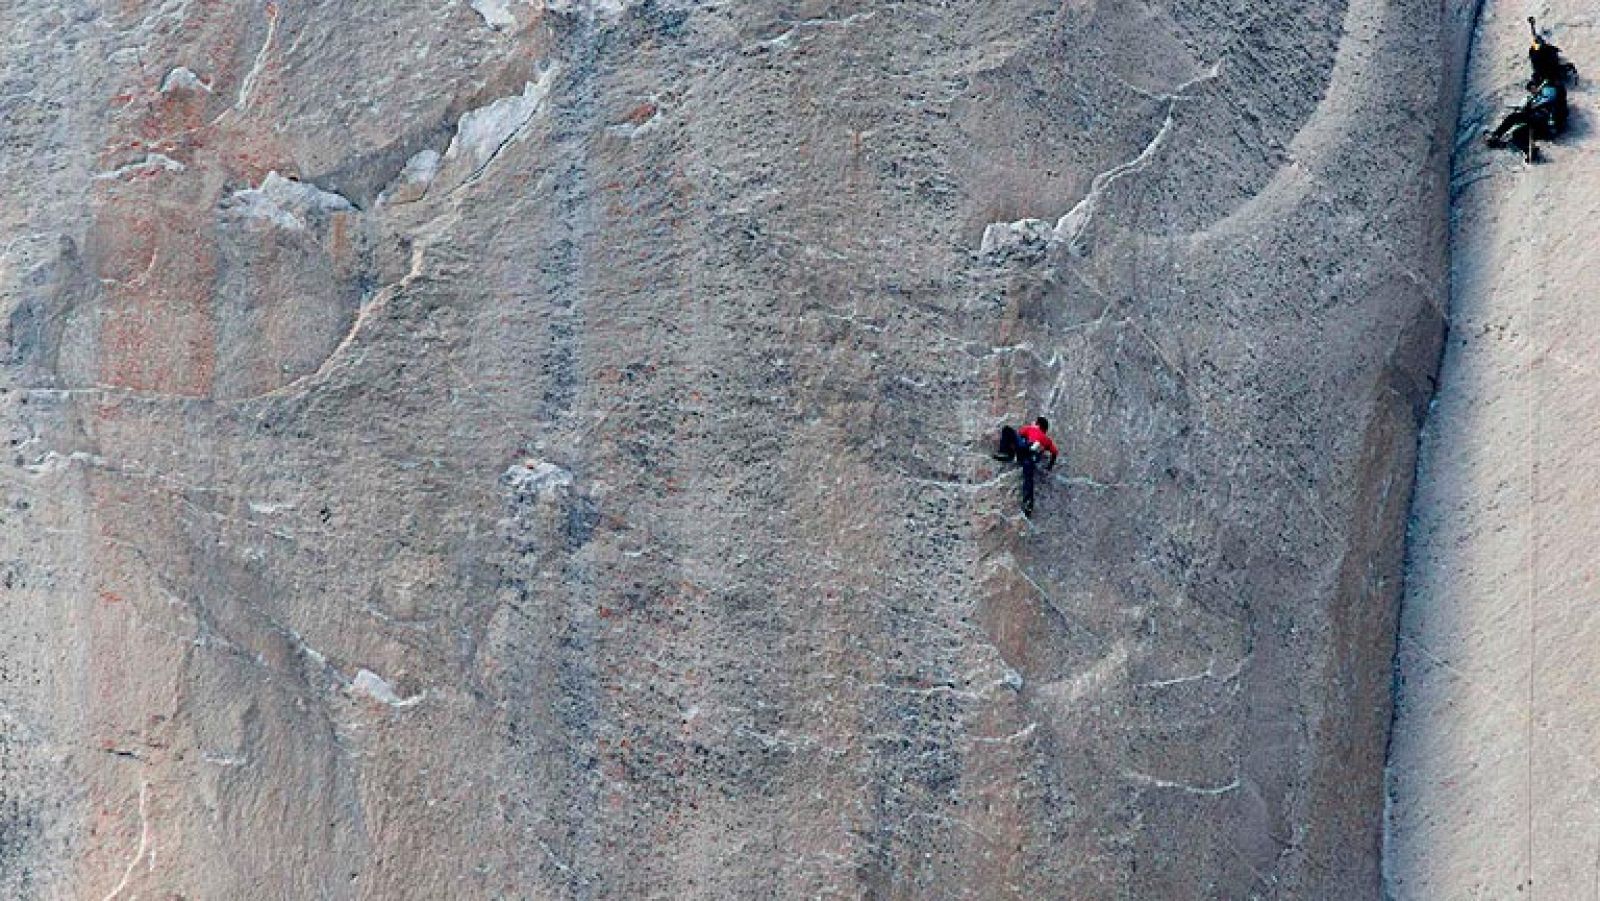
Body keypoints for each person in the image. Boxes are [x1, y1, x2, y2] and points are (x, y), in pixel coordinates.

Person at [993, 417, 1059, 517]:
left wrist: (1014, 448)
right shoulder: (1047, 440)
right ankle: (1028, 504)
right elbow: (1055, 453)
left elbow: (1019, 435)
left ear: (1037, 425)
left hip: (1023, 447)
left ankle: (1006, 453)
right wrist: (1049, 466)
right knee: (1028, 479)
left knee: (1007, 429)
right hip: (1031, 457)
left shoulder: (1031, 429)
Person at [1484, 78, 1567, 152]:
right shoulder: (1537, 96)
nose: (1532, 91)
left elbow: (1547, 101)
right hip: (1542, 126)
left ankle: (1495, 135)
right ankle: (1529, 150)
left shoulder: (1548, 89)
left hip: (1546, 123)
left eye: (1532, 88)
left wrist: (1530, 108)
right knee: (1517, 134)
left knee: (1514, 117)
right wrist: (1527, 107)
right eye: (1530, 90)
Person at [1528, 18, 1578, 88]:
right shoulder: (1544, 50)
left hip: (1545, 72)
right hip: (1549, 72)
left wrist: (1532, 25)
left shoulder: (1537, 50)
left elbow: (1535, 37)